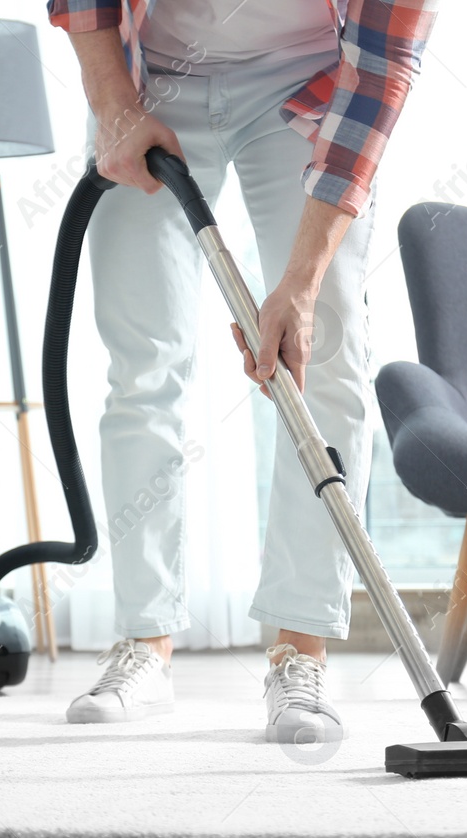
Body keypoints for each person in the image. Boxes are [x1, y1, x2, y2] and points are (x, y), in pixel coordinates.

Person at [48, 0, 437, 741]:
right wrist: (113, 105)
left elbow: (382, 67)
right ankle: (145, 642)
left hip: (309, 82)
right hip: (153, 70)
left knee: (323, 357)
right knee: (143, 362)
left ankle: (301, 651)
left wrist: (304, 276)